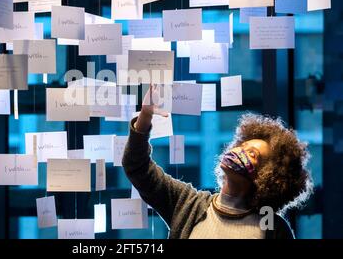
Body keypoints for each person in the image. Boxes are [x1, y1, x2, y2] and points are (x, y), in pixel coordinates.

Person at [122, 85, 313, 239]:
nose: (238, 151)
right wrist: (145, 116)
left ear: (268, 177)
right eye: (242, 145)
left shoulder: (272, 227)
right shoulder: (188, 204)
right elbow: (136, 166)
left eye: (252, 154)